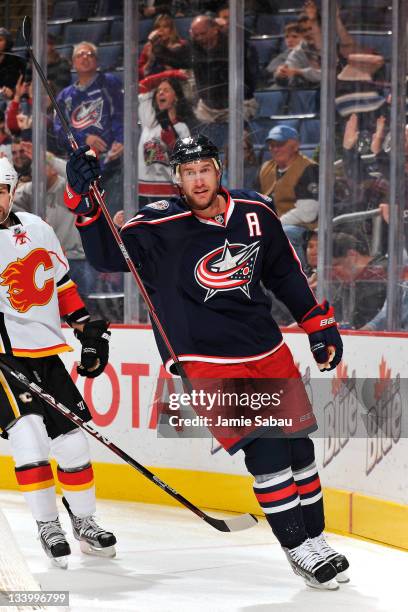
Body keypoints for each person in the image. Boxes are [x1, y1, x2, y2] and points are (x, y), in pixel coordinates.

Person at [63, 134, 349, 590]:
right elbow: (105, 256)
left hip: (266, 349)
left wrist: (316, 322)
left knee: (300, 449)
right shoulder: (156, 226)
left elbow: (286, 273)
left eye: (204, 170)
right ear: (176, 179)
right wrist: (84, 203)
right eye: (188, 173)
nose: (197, 180)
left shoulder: (256, 212)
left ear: (218, 170)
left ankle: (317, 539)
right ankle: (297, 548)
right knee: (268, 450)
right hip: (205, 359)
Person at [0, 156, 116, 568]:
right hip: (3, 360)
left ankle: (84, 522)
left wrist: (86, 329)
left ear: (12, 191)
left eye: (0, 191)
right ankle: (48, 525)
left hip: (46, 353)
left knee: (72, 442)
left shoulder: (38, 229)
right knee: (28, 435)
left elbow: (61, 285)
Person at [54, 41, 124, 214]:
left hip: (112, 164)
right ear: (73, 63)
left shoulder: (109, 83)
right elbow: (59, 130)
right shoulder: (65, 96)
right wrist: (84, 138)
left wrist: (121, 141)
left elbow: (121, 114)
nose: (85, 57)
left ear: (97, 61)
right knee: (86, 217)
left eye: (90, 54)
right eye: (80, 55)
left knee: (112, 214)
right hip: (81, 168)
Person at [258, 125, 319, 269]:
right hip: (275, 226)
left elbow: (307, 214)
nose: (275, 149)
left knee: (286, 234)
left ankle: (300, 277)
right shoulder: (266, 168)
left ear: (295, 145)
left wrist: (274, 225)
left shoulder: (309, 168)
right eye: (272, 145)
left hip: (306, 229)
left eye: (280, 144)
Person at [138, 69, 193, 204]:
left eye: (166, 90)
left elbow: (185, 163)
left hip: (170, 194)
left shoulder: (182, 128)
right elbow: (143, 85)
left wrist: (172, 144)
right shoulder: (149, 121)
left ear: (176, 97)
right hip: (143, 191)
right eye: (159, 90)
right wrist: (171, 74)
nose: (160, 93)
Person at [190, 15, 258, 123]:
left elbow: (251, 79)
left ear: (215, 30)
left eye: (203, 34)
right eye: (196, 35)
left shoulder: (235, 45)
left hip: (238, 104)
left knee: (239, 132)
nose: (200, 38)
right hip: (207, 108)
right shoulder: (194, 47)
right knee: (198, 132)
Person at [331, 231, 387, 329]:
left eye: (335, 265)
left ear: (352, 255)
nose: (332, 273)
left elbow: (359, 323)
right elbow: (334, 314)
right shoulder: (351, 279)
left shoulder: (379, 274)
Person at [138, 14, 191, 80]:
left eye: (165, 27)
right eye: (157, 27)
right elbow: (138, 75)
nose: (161, 30)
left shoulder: (182, 45)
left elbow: (187, 71)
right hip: (154, 83)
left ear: (171, 29)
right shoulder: (148, 47)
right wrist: (150, 62)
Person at [0, 27, 26, 92]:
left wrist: (13, 91)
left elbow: (23, 83)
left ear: (7, 42)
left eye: (0, 40)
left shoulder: (17, 61)